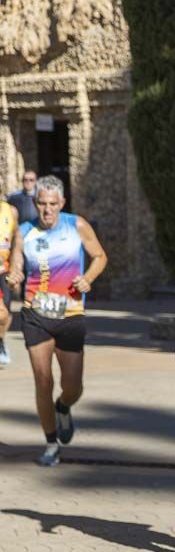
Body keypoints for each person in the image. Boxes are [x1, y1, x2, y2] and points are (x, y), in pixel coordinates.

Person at [15, 175, 107, 467]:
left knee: (73, 386)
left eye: (53, 204)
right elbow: (17, 264)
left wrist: (88, 279)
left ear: (62, 203)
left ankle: (63, 406)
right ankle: (51, 442)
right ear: (35, 203)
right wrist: (14, 274)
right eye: (41, 204)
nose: (47, 210)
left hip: (70, 315)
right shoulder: (24, 231)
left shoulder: (76, 225)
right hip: (35, 314)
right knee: (43, 380)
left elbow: (100, 257)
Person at [0, 198, 23, 366]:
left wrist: (16, 265)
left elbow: (16, 240)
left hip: (4, 270)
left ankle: (1, 341)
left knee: (6, 314)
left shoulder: (11, 211)